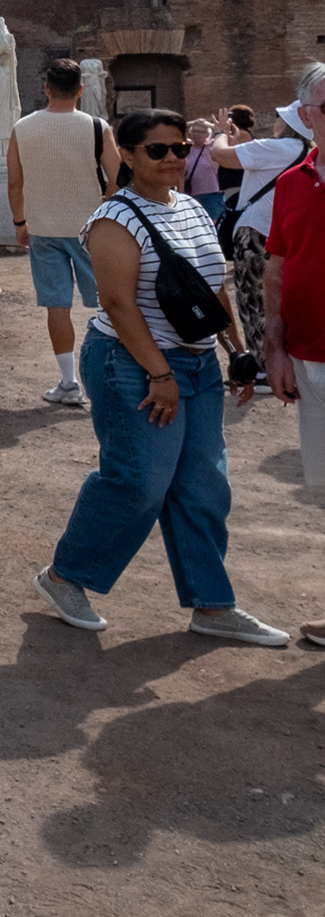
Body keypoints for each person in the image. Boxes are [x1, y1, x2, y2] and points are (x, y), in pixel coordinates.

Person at [34, 111, 286, 642]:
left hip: (195, 362)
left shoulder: (192, 208)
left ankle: (212, 606)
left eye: (177, 148)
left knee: (204, 484)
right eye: (156, 151)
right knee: (139, 481)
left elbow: (214, 290)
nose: (172, 158)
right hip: (130, 363)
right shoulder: (113, 219)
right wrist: (160, 373)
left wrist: (239, 353)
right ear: (126, 156)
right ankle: (64, 576)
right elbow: (119, 305)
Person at [7, 58, 120, 408]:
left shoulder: (22, 127)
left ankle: (69, 382)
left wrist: (19, 222)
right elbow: (117, 179)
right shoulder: (97, 126)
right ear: (81, 91)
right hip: (90, 227)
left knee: (57, 304)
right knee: (108, 303)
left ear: (46, 88)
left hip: (42, 226)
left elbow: (15, 182)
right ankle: (118, 374)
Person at [264, 68, 325, 642]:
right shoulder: (291, 183)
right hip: (308, 356)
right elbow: (278, 266)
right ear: (308, 116)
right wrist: (274, 346)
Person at [227, 106, 308, 374]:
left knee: (252, 297)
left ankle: (263, 366)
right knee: (274, 297)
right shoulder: (303, 150)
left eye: (278, 116)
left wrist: (219, 134)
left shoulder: (281, 146)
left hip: (256, 229)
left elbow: (220, 155)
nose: (275, 120)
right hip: (276, 229)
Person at [182, 118, 228, 222]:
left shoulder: (212, 146)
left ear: (207, 135)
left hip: (211, 194)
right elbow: (174, 129)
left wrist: (208, 124)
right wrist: (192, 122)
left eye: (201, 132)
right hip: (191, 194)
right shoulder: (187, 147)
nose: (197, 134)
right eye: (194, 131)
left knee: (213, 226)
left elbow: (224, 133)